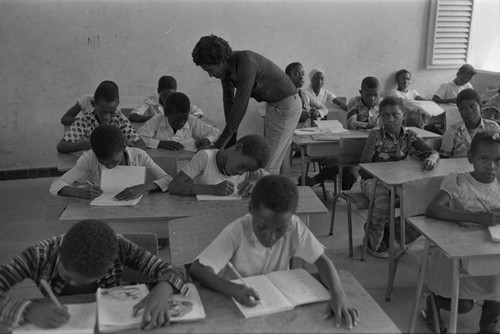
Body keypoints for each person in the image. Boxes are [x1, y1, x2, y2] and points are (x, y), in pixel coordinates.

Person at [189, 175, 359, 328]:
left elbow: (322, 261)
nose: (270, 236)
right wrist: (234, 289)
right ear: (250, 209)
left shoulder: (294, 226)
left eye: (280, 230)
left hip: (276, 307)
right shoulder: (237, 231)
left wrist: (338, 293)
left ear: (291, 217)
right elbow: (198, 270)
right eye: (262, 227)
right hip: (235, 306)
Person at [0, 219, 189, 331]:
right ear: (59, 253)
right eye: (67, 277)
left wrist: (163, 289)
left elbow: (174, 270)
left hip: (111, 323)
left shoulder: (118, 247)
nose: (74, 284)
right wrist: (28, 310)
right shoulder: (38, 256)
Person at [191, 35, 301, 176]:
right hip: (276, 105)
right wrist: (229, 140)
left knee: (268, 163)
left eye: (210, 70)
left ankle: (267, 195)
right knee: (279, 156)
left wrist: (220, 144)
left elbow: (240, 105)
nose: (210, 75)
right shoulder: (227, 71)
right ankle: (283, 191)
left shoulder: (246, 63)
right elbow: (228, 102)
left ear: (222, 61)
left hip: (286, 105)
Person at [425, 130, 500, 333]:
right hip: (456, 252)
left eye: (498, 160)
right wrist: (477, 218)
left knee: (498, 287)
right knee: (463, 305)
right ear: (470, 157)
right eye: (483, 159)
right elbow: (433, 209)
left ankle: (489, 324)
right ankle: (433, 301)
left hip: (490, 248)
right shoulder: (458, 181)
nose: (491, 166)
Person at [359, 96, 439, 258]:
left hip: (400, 182)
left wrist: (431, 158)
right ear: (380, 116)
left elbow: (433, 152)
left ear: (404, 114)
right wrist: (382, 173)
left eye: (395, 115)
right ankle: (372, 243)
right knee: (383, 203)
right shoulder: (376, 135)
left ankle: (389, 231)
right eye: (385, 115)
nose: (390, 120)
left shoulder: (410, 135)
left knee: (426, 202)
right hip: (373, 181)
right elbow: (364, 168)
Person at [51, 125, 171, 200]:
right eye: (102, 162)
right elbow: (56, 185)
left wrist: (144, 187)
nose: (109, 166)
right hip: (102, 207)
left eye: (114, 162)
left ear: (124, 148)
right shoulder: (90, 158)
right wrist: (79, 193)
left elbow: (167, 179)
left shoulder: (139, 155)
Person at [57, 81, 145, 154]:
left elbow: (141, 144)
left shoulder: (120, 119)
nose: (107, 117)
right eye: (103, 112)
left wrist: (126, 150)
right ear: (93, 104)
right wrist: (90, 144)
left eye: (111, 112)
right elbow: (61, 146)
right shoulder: (86, 120)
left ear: (117, 105)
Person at [168, 134, 270, 197]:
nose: (240, 172)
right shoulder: (205, 157)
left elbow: (271, 179)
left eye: (246, 171)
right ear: (238, 148)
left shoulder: (249, 168)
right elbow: (174, 186)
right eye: (242, 166)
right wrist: (213, 189)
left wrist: (255, 182)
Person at [138, 92, 220, 150]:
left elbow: (216, 132)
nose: (181, 123)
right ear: (166, 113)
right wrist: (161, 143)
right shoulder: (156, 120)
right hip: (161, 161)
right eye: (176, 120)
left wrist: (207, 140)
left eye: (185, 119)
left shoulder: (192, 120)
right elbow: (138, 139)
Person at [440, 89, 500, 158]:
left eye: (472, 107)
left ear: (480, 107)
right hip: (459, 168)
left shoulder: (493, 128)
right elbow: (443, 158)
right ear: (459, 110)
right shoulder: (452, 131)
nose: (468, 111)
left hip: (487, 167)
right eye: (462, 108)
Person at [128, 75, 204, 122]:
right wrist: (155, 119)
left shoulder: (179, 100)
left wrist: (183, 118)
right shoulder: (150, 101)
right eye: (165, 95)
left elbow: (199, 113)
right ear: (158, 91)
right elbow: (133, 116)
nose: (168, 99)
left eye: (171, 95)